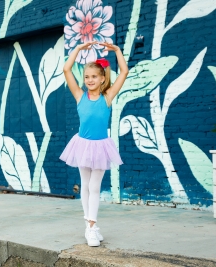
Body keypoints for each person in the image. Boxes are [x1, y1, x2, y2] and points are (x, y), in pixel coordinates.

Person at [60, 41, 129, 247]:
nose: (89, 80)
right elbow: (66, 69)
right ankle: (89, 227)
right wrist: (78, 50)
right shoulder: (80, 95)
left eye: (94, 77)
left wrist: (117, 50)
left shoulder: (107, 97)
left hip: (100, 147)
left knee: (94, 186)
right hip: (82, 144)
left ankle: (92, 225)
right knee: (85, 186)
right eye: (87, 77)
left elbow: (124, 72)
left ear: (102, 79)